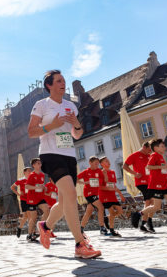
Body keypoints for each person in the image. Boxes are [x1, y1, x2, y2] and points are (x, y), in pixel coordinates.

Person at [29, 70, 101, 258]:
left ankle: (46, 225)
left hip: (69, 154)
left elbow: (77, 134)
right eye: (59, 81)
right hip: (50, 153)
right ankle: (79, 244)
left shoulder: (71, 106)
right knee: (70, 193)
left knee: (64, 201)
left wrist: (76, 123)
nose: (63, 84)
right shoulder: (41, 105)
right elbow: (31, 131)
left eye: (64, 81)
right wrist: (50, 126)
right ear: (49, 86)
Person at [124, 142, 154, 232]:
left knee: (152, 202)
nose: (150, 151)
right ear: (144, 147)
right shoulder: (135, 155)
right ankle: (146, 222)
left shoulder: (149, 156)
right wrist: (135, 173)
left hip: (150, 182)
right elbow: (124, 166)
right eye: (149, 149)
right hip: (141, 182)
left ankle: (145, 223)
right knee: (150, 200)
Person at [78, 156, 109, 236]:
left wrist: (105, 175)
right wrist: (84, 183)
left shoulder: (99, 171)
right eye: (95, 164)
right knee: (101, 207)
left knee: (88, 212)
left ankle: (80, 229)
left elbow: (104, 182)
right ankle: (102, 227)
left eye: (98, 164)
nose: (97, 165)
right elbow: (75, 179)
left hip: (95, 193)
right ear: (90, 163)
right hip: (88, 193)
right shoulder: (86, 172)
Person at [98, 157, 125, 237]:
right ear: (102, 164)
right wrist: (108, 188)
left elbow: (113, 185)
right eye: (106, 161)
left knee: (120, 211)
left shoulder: (112, 172)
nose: (108, 162)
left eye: (109, 161)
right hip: (104, 195)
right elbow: (98, 187)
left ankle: (107, 218)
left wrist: (120, 194)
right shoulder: (100, 173)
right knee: (112, 212)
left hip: (113, 195)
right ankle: (112, 230)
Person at [25, 158, 50, 242]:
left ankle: (40, 227)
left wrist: (44, 187)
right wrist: (36, 187)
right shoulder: (32, 175)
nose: (40, 165)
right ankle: (29, 234)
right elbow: (27, 186)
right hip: (31, 198)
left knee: (47, 210)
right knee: (34, 217)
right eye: (38, 163)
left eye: (40, 163)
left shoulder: (42, 175)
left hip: (40, 197)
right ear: (34, 165)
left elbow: (41, 185)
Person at [10, 167, 32, 238]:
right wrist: (18, 194)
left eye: (30, 171)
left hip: (31, 199)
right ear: (24, 172)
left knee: (27, 216)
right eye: (28, 171)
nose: (30, 172)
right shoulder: (21, 180)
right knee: (27, 216)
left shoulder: (32, 179)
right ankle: (30, 232)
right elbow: (12, 187)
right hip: (24, 200)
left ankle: (21, 229)